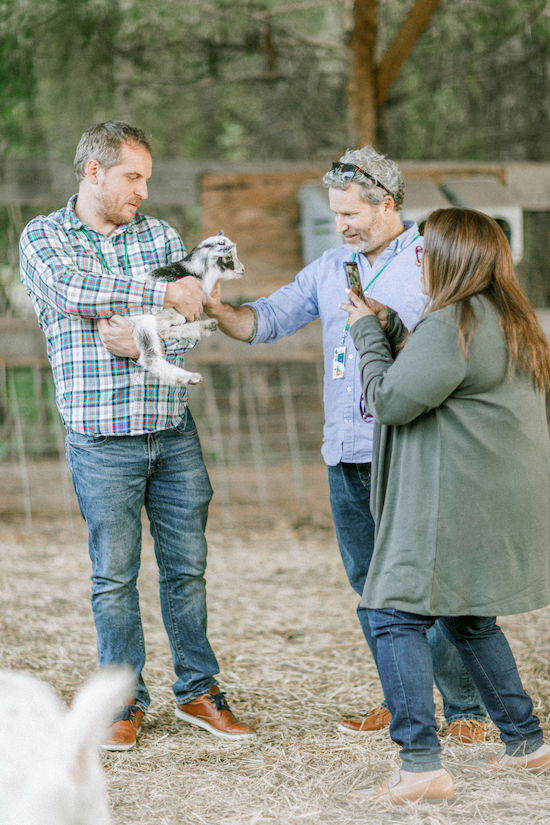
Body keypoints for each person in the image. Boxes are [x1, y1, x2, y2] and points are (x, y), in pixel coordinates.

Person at [203, 146, 486, 739]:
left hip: (409, 449)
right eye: (336, 215)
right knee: (370, 586)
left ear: (387, 204)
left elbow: (463, 345)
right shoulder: (331, 266)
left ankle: (466, 711)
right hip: (345, 453)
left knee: (427, 583)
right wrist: (214, 309)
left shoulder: (434, 262)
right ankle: (404, 701)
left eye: (351, 214)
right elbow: (267, 320)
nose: (342, 226)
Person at [19, 121, 257, 750]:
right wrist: (157, 293)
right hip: (101, 438)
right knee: (113, 577)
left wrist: (146, 329)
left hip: (172, 430)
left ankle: (199, 692)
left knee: (188, 568)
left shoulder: (159, 235)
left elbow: (190, 319)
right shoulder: (45, 237)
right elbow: (72, 292)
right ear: (93, 171)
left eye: (147, 178)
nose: (143, 191)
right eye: (133, 177)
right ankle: (123, 703)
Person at [341, 207, 550, 805]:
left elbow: (391, 401)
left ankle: (421, 767)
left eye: (424, 248)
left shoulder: (453, 320)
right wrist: (392, 330)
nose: (416, 256)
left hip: (457, 497)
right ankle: (527, 743)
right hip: (495, 496)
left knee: (393, 612)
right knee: (468, 617)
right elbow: (434, 378)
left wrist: (363, 331)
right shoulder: (509, 318)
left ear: (450, 257)